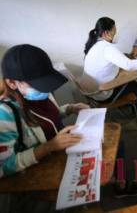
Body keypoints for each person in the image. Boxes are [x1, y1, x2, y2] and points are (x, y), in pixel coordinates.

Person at [0, 44, 89, 178]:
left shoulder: (39, 92)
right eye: (38, 84)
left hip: (62, 150)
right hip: (40, 171)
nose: (45, 90)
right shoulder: (5, 114)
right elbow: (4, 166)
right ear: (12, 83)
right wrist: (49, 146)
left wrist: (70, 108)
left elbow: (48, 118)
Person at [83, 17, 137, 117]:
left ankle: (126, 105)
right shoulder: (107, 48)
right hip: (102, 94)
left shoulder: (94, 45)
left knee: (126, 81)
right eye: (114, 31)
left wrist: (128, 56)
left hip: (90, 92)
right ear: (106, 33)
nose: (115, 34)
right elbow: (128, 65)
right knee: (133, 84)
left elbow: (112, 59)